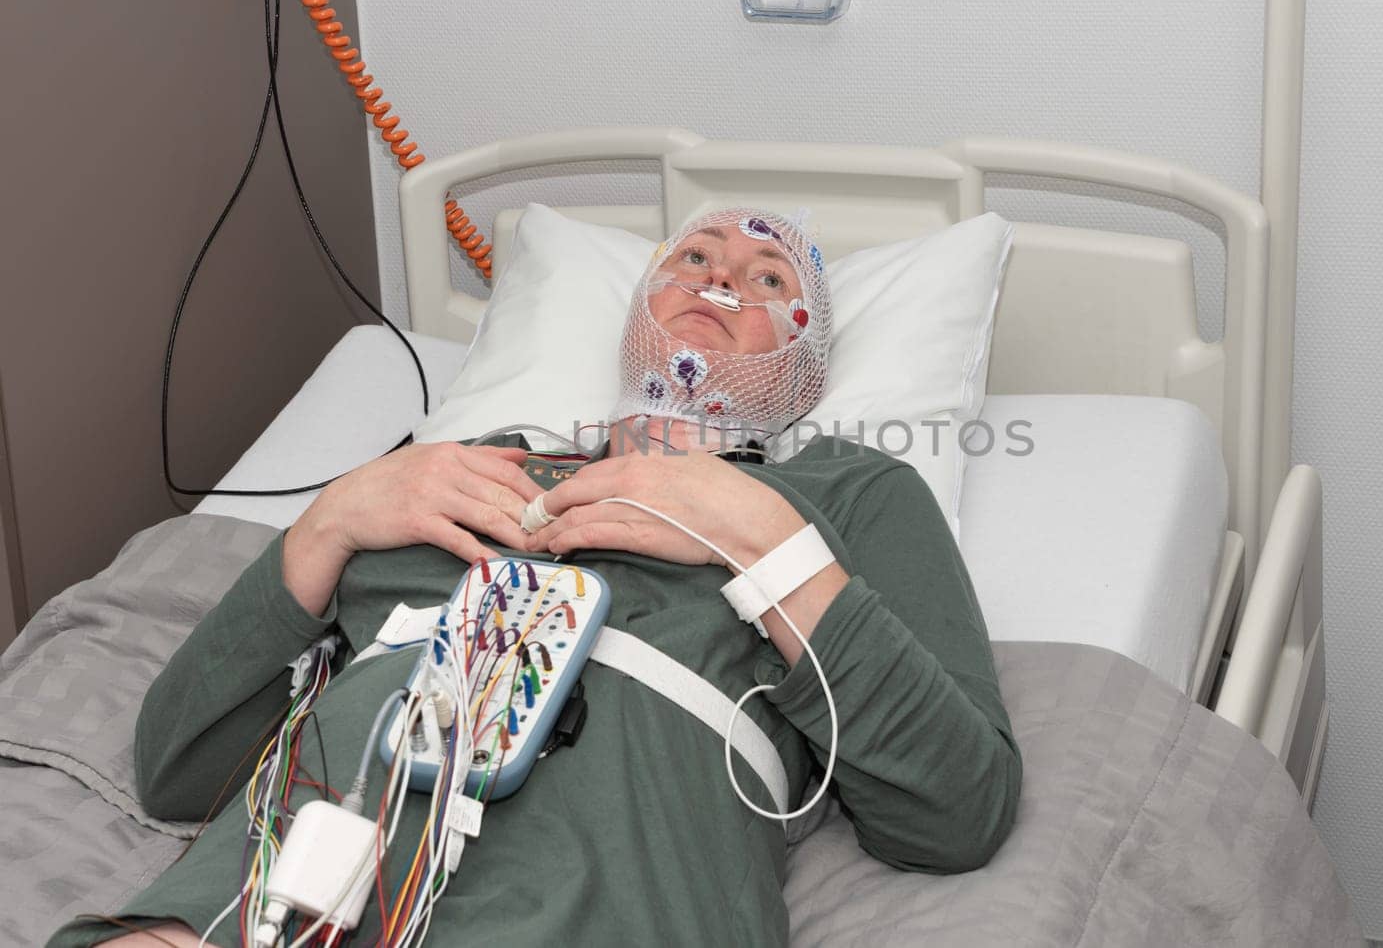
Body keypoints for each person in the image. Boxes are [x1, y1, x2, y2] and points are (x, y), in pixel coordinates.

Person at [59, 207, 1022, 947]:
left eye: (768, 276)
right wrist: (330, 521)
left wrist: (771, 550)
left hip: (611, 889)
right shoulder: (457, 471)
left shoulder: (844, 494)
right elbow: (178, 768)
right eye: (692, 258)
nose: (722, 276)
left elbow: (957, 813)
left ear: (805, 373)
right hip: (300, 863)